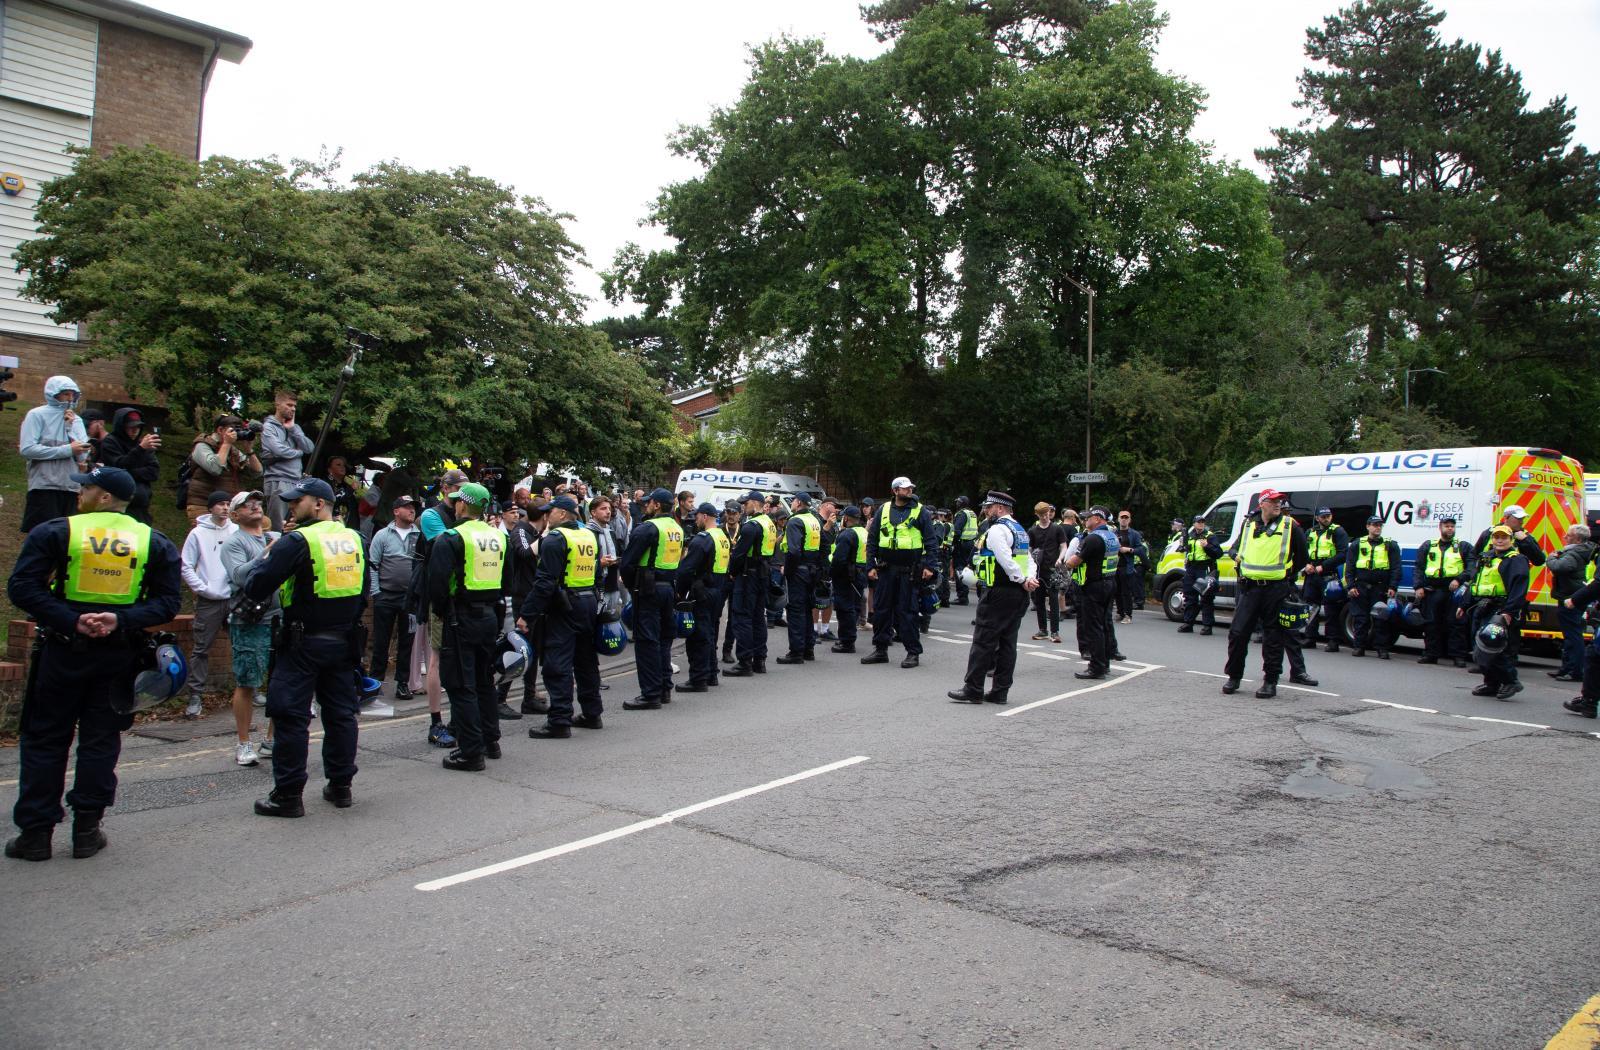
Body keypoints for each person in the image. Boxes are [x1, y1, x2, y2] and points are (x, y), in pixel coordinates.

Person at [4, 467, 183, 861]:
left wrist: (71, 619)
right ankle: (87, 829)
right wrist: (120, 619)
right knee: (101, 740)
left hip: (63, 650)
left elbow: (22, 587)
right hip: (119, 651)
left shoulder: (57, 531)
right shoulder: (153, 541)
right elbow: (169, 603)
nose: (79, 492)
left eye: (86, 487)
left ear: (103, 497)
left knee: (46, 738)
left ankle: (35, 834)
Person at [244, 478, 369, 818]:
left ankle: (287, 796)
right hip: (343, 641)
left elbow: (256, 586)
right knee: (341, 715)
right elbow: (364, 591)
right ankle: (341, 787)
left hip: (301, 643)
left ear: (318, 504)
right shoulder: (356, 539)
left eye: (297, 501)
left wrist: (270, 553)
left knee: (291, 717)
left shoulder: (296, 541)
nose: (290, 507)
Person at [426, 483, 510, 771]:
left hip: (459, 618)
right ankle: (490, 741)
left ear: (462, 505)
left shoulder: (450, 538)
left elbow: (436, 586)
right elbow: (506, 578)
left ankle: (471, 751)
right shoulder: (499, 536)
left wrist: (442, 611)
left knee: (461, 684)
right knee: (485, 681)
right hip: (489, 616)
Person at [521, 495, 604, 739]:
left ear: (563, 514)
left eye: (551, 511)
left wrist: (527, 614)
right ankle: (592, 713)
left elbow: (544, 583)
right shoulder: (588, 536)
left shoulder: (556, 539)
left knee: (558, 663)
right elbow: (597, 573)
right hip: (587, 602)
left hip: (564, 606)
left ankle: (559, 720)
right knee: (586, 661)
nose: (548, 515)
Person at [948, 492, 1040, 705]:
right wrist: (1029, 579)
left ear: (999, 508)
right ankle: (1000, 692)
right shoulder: (1020, 530)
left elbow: (1005, 559)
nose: (986, 511)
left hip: (999, 591)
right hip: (1018, 594)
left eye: (988, 508)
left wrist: (1020, 578)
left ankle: (973, 688)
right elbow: (1029, 560)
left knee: (983, 641)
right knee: (1008, 643)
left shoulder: (998, 529)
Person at [1221, 490, 1309, 699]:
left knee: (1273, 636)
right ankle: (1234, 676)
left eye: (1280, 501)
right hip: (1250, 588)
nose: (1278, 504)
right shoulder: (1249, 524)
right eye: (1273, 501)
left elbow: (1302, 557)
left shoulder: (1290, 526)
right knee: (1238, 632)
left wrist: (1286, 574)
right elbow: (1236, 548)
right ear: (1262, 504)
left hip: (1276, 588)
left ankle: (1270, 681)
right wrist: (1236, 556)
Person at [220, 491, 278, 766]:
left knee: (280, 681)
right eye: (245, 504)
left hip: (279, 618)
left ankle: (272, 740)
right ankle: (243, 743)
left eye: (257, 502)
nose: (254, 505)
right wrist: (266, 555)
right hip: (251, 622)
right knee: (247, 683)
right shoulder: (233, 543)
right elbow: (240, 576)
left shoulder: (274, 536)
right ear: (234, 514)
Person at [411, 469, 468, 748]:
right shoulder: (432, 516)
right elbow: (450, 544)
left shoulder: (464, 517)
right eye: (458, 493)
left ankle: (459, 719)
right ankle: (436, 722)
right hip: (440, 591)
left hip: (464, 594)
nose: (462, 500)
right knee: (436, 657)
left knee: (460, 658)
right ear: (445, 489)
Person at [618, 487, 684, 709]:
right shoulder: (677, 528)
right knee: (664, 640)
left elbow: (628, 564)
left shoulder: (648, 528)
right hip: (668, 587)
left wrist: (631, 586)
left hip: (648, 589)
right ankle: (665, 687)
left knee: (647, 641)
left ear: (656, 505)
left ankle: (650, 694)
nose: (645, 505)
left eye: (649, 502)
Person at [863, 477, 938, 668]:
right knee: (881, 610)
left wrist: (930, 566)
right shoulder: (884, 509)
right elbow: (872, 539)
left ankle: (913, 652)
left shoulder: (920, 511)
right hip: (886, 569)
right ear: (895, 491)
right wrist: (870, 565)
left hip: (909, 571)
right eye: (905, 488)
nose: (909, 490)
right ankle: (881, 649)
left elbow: (931, 541)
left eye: (911, 488)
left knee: (908, 612)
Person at [178, 491, 239, 718]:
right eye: (220, 504)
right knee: (201, 648)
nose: (224, 508)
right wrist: (202, 588)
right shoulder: (198, 534)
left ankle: (246, 690)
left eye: (227, 504)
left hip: (233, 597)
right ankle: (195, 695)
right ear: (211, 508)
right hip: (209, 600)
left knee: (241, 645)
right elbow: (186, 565)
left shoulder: (235, 530)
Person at [1463, 524, 1530, 700]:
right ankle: (1492, 682)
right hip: (1481, 606)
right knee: (1479, 648)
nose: (1500, 540)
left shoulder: (1516, 560)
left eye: (1504, 537)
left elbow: (1518, 588)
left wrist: (1508, 612)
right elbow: (1476, 582)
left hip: (1500, 609)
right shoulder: (1487, 557)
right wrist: (1464, 605)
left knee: (1494, 648)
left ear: (1511, 540)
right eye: (1496, 537)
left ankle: (1510, 681)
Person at [18, 376, 90, 534]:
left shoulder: (77, 420)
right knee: (42, 535)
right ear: (53, 393)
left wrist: (70, 429)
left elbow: (83, 456)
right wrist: (66, 450)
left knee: (66, 539)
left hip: (71, 488)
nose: (70, 399)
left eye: (73, 395)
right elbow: (27, 449)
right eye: (65, 394)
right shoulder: (37, 415)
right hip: (45, 486)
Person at [367, 495, 420, 702]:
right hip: (386, 596)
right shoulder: (382, 535)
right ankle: (376, 683)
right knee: (381, 641)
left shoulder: (419, 536)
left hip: (410, 598)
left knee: (407, 642)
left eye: (413, 507)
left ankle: (403, 683)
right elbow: (373, 565)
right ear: (396, 511)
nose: (411, 510)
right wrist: (376, 592)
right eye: (407, 507)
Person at [677, 502, 731, 691]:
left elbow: (687, 569)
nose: (696, 519)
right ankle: (711, 674)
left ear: (705, 516)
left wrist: (679, 592)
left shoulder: (703, 539)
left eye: (697, 516)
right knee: (710, 633)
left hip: (702, 590)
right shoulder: (722, 537)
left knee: (698, 636)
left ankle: (698, 679)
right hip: (717, 589)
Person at [1413, 516, 1476, 668]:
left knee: (1455, 624)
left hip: (1454, 591)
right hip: (1433, 590)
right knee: (1431, 623)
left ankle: (1458, 656)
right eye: (1447, 526)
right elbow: (1419, 567)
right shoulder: (1428, 545)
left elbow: (1472, 567)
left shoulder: (1463, 546)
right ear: (1440, 527)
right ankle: (1431, 654)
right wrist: (1418, 587)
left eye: (1452, 526)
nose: (1450, 529)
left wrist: (1459, 579)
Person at [1065, 507, 1120, 679]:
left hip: (1094, 586)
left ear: (1097, 519)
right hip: (1109, 582)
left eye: (1088, 517)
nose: (1085, 520)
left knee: (1093, 627)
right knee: (1104, 625)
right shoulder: (1111, 536)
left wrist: (1065, 564)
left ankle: (1096, 667)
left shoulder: (1093, 538)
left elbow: (1073, 561)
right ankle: (1104, 664)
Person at [724, 492, 775, 677]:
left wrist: (732, 572)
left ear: (755, 503)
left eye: (746, 503)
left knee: (742, 618)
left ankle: (744, 662)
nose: (743, 506)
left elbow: (738, 554)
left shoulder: (751, 526)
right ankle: (759, 661)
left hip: (748, 576)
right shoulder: (769, 523)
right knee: (758, 617)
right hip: (763, 574)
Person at [777, 493, 829, 664]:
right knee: (807, 609)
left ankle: (796, 652)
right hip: (812, 570)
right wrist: (820, 570)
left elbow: (793, 551)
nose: (791, 504)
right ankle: (808, 649)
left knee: (796, 611)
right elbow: (825, 546)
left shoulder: (795, 521)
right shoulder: (815, 520)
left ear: (798, 503)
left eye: (793, 501)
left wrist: (788, 571)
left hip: (798, 571)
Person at [1345, 515, 1401, 659]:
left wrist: (1393, 586)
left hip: (1380, 587)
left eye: (1380, 525)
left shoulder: (1390, 545)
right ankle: (1359, 647)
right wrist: (1350, 586)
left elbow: (1396, 568)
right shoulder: (1357, 544)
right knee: (1360, 619)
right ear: (1368, 526)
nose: (1378, 528)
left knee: (1381, 619)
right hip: (1360, 587)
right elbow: (1349, 567)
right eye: (1375, 525)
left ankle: (1381, 648)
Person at [258, 390, 314, 532]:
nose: (293, 409)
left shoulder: (294, 427)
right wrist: (298, 452)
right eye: (289, 405)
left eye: (294, 406)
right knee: (277, 527)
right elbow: (279, 450)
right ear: (277, 404)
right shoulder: (268, 427)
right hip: (278, 480)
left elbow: (309, 448)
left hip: (296, 481)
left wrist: (293, 429)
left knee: (293, 525)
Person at [1545, 524, 1594, 683]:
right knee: (1570, 635)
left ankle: (1574, 671)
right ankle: (1567, 668)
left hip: (1570, 599)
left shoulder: (1574, 553)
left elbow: (1560, 567)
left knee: (1573, 636)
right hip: (1574, 596)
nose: (1565, 537)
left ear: (1578, 539)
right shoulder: (1583, 550)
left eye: (1568, 535)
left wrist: (1551, 558)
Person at [97, 407, 161, 524]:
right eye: (130, 427)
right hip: (117, 506)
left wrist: (129, 472)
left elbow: (153, 472)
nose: (135, 431)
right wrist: (140, 450)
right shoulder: (111, 442)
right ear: (122, 426)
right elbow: (118, 467)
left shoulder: (143, 444)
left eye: (137, 427)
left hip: (141, 506)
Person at [186, 414, 261, 512]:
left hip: (227, 506)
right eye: (233, 430)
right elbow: (215, 469)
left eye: (238, 431)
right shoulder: (202, 445)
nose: (236, 434)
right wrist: (226, 443)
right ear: (220, 430)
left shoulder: (233, 450)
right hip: (203, 505)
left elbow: (257, 472)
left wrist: (249, 450)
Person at [1304, 507, 1349, 650]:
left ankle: (1333, 640)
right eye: (1323, 517)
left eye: (1328, 516)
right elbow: (1303, 551)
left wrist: (1323, 566)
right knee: (1311, 607)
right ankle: (1310, 637)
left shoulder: (1338, 531)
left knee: (1331, 608)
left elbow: (1343, 554)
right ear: (1317, 518)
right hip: (1312, 574)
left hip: (1328, 574)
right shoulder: (1310, 532)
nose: (1326, 519)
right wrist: (1306, 565)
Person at [829, 505, 869, 654]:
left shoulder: (847, 535)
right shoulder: (864, 532)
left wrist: (831, 573)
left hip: (846, 576)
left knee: (844, 608)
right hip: (860, 573)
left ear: (846, 518)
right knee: (854, 607)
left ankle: (846, 642)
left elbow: (839, 559)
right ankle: (849, 638)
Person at [1176, 514, 1222, 634]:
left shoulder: (1210, 536)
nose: (1201, 524)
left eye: (1202, 522)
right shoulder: (1190, 536)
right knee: (1190, 596)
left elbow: (1218, 553)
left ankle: (1207, 626)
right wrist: (1187, 558)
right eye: (1199, 522)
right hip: (1192, 568)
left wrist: (1207, 546)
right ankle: (1188, 623)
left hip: (1205, 568)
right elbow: (1188, 550)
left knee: (1206, 597)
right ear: (1194, 524)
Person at [1028, 503, 1067, 642]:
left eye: (1047, 513)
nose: (1045, 517)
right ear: (1037, 515)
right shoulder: (1033, 531)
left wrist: (1060, 558)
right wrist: (1030, 563)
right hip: (1038, 570)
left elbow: (1063, 546)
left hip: (1053, 569)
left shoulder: (1057, 528)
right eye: (1042, 515)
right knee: (1039, 601)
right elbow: (1029, 549)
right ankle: (1043, 630)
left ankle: (1055, 632)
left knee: (1053, 600)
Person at [1471, 506, 1545, 567]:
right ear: (1506, 518)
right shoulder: (1489, 532)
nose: (1521, 522)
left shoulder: (1524, 536)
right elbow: (1473, 556)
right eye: (1518, 518)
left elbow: (1539, 561)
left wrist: (1525, 540)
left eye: (1522, 519)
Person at [1113, 510, 1147, 624]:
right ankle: (1120, 612)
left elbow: (1142, 549)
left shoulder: (1134, 534)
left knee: (1126, 591)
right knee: (1116, 591)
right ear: (1118, 519)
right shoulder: (1114, 532)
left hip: (1126, 566)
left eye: (1126, 518)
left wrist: (1129, 549)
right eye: (1122, 517)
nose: (1124, 519)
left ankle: (1128, 615)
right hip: (1114, 565)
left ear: (1129, 520)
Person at [950, 496, 979, 605]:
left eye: (957, 502)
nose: (956, 504)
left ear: (961, 503)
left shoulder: (961, 514)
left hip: (962, 544)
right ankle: (964, 593)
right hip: (971, 543)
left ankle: (962, 596)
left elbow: (956, 531)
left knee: (959, 568)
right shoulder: (972, 513)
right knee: (967, 568)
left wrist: (952, 544)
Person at [326, 456, 362, 531]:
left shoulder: (346, 485)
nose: (342, 467)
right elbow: (332, 501)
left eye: (343, 465)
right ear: (330, 470)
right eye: (338, 465)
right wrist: (350, 490)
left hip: (349, 526)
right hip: (333, 526)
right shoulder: (326, 485)